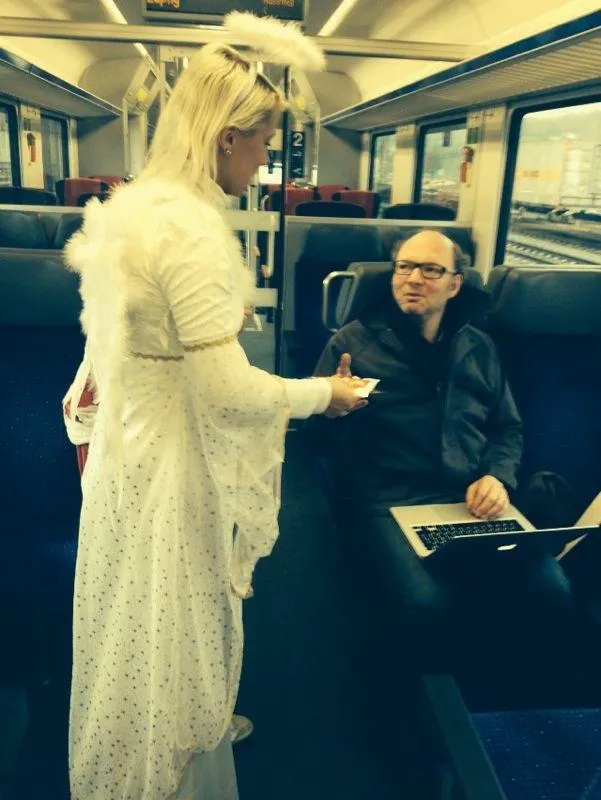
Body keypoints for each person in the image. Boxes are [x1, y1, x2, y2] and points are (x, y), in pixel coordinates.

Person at [62, 17, 365, 800]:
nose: (265, 160)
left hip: (132, 446)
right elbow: (227, 392)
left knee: (136, 626)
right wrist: (323, 396)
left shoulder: (139, 203)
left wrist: (211, 324)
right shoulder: (191, 229)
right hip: (175, 462)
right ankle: (175, 763)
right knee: (178, 627)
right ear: (228, 137)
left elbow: (136, 328)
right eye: (262, 142)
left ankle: (155, 744)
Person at [311, 230, 572, 663]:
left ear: (454, 284)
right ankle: (424, 694)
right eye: (404, 267)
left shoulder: (478, 347)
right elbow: (315, 444)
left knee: (550, 590)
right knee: (428, 604)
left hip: (471, 501)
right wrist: (331, 406)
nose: (414, 278)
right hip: (389, 501)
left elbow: (507, 428)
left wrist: (497, 477)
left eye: (430, 270)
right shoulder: (352, 346)